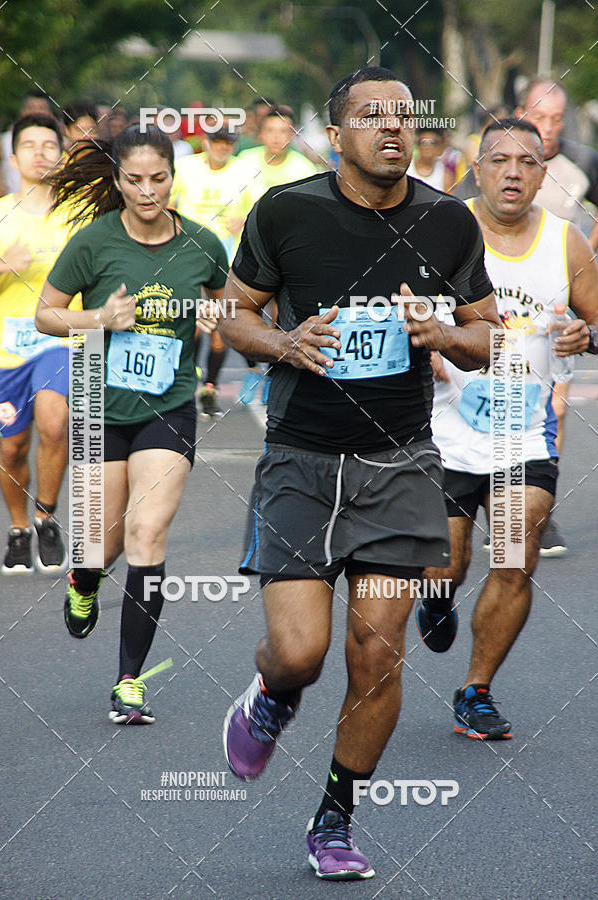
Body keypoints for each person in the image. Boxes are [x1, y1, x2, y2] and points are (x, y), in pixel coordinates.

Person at [220, 67, 500, 880]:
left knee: (376, 654)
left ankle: (335, 820)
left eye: (404, 116)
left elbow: (491, 338)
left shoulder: (448, 220)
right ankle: (271, 691)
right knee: (302, 653)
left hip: (400, 459)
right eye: (371, 116)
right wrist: (283, 342)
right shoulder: (286, 210)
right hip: (302, 461)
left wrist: (443, 333)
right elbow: (233, 313)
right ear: (335, 135)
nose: (392, 127)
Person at [35, 124, 228, 723]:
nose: (148, 191)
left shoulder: (203, 244)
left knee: (147, 534)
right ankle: (84, 581)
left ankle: (128, 681)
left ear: (174, 177)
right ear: (117, 181)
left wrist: (217, 314)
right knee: (100, 544)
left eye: (159, 179)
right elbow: (45, 315)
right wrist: (99, 318)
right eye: (135, 180)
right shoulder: (92, 243)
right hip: (98, 405)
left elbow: (235, 308)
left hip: (167, 406)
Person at [420, 119, 598, 740]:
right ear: (478, 168)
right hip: (444, 431)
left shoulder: (567, 243)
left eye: (527, 162)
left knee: (516, 552)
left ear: (544, 174)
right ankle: (437, 597)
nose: (513, 173)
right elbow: (396, 307)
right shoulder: (440, 230)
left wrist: (587, 334)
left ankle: (476, 690)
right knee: (446, 564)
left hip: (524, 433)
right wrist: (428, 344)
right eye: (500, 160)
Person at [517, 77, 598, 554]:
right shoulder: (499, 153)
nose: (546, 127)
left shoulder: (582, 160)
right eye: (538, 116)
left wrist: (587, 256)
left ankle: (538, 510)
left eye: (555, 119)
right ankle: (496, 502)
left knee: (556, 406)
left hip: (558, 304)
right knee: (504, 399)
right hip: (503, 299)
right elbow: (457, 211)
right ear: (522, 111)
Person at [0, 114, 78, 574]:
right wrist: (4, 266)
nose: (40, 153)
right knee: (11, 448)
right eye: (29, 145)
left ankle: (46, 515)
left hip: (61, 340)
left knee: (54, 422)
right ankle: (18, 527)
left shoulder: (80, 214)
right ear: (14, 158)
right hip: (7, 351)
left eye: (50, 145)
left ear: (62, 155)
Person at [171, 125, 263, 415]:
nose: (222, 148)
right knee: (189, 322)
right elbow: (165, 200)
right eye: (217, 142)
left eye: (228, 144)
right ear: (205, 142)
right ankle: (189, 380)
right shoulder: (185, 168)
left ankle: (209, 387)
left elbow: (262, 208)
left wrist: (245, 220)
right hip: (187, 257)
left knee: (219, 324)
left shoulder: (244, 171)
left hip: (226, 259)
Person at [238, 107, 319, 406]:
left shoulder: (303, 169)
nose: (277, 138)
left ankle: (274, 374)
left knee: (278, 314)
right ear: (261, 134)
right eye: (271, 131)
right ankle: (250, 369)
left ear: (292, 135)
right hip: (245, 251)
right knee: (241, 312)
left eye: (284, 132)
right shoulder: (244, 164)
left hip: (284, 254)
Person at [0, 92, 52, 195]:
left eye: (41, 108)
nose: (36, 112)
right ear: (22, 112)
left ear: (49, 113)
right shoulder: (4, 141)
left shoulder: (62, 143)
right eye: (31, 108)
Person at [407, 127, 452, 192]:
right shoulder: (406, 169)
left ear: (440, 146)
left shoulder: (445, 174)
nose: (427, 147)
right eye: (423, 142)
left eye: (432, 143)